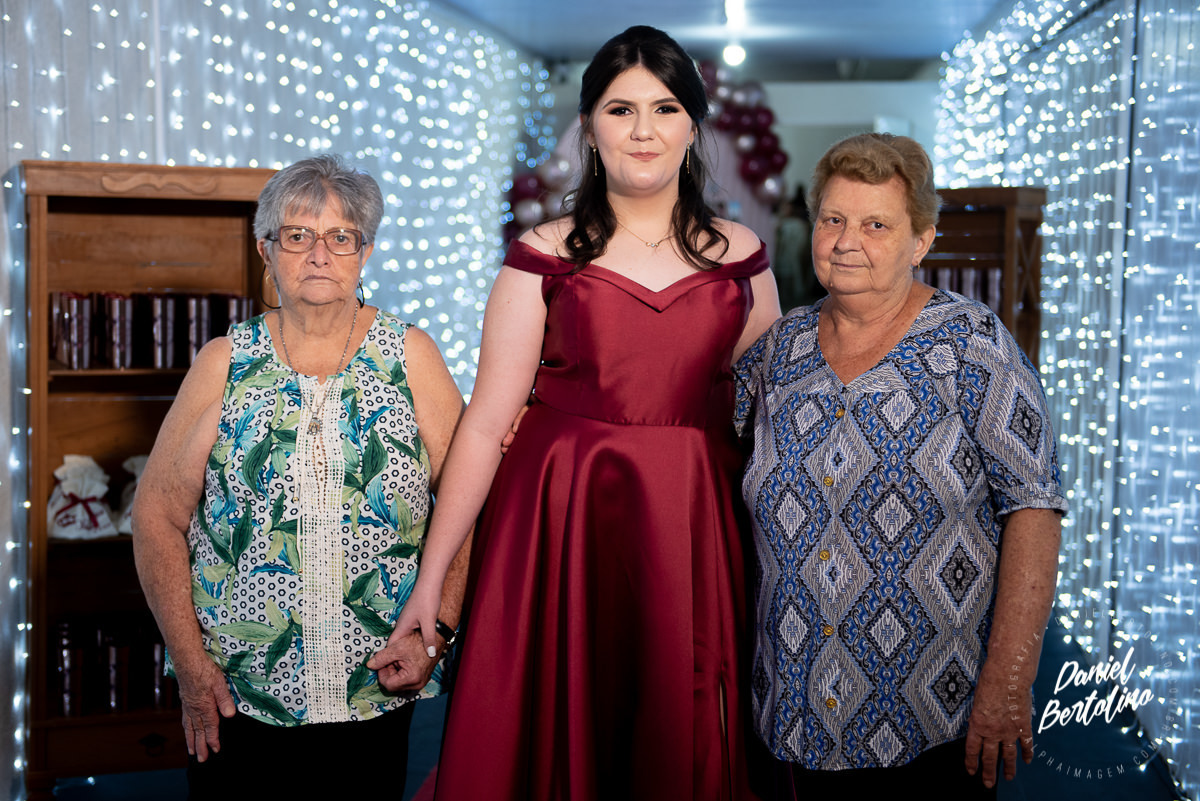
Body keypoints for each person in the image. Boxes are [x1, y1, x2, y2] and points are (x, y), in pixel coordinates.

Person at [393, 25, 780, 801]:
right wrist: (429, 583)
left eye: (665, 109)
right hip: (562, 517)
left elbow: (774, 411)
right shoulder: (542, 253)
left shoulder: (740, 255)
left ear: (693, 126)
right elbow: (485, 424)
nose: (644, 130)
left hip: (694, 520)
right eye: (620, 109)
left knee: (680, 724)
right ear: (590, 127)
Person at [734, 133, 1066, 798]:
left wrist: (1009, 681)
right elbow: (699, 447)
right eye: (833, 219)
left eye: (876, 225)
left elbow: (1034, 506)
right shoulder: (777, 351)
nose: (845, 242)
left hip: (927, 720)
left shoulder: (973, 346)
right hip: (790, 711)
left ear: (921, 241)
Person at [131, 154, 470, 796]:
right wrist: (191, 666)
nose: (320, 254)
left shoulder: (411, 356)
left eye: (341, 237)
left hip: (378, 682)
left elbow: (466, 504)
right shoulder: (224, 362)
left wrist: (437, 634)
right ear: (266, 250)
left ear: (364, 253)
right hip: (237, 694)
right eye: (298, 235)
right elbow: (155, 517)